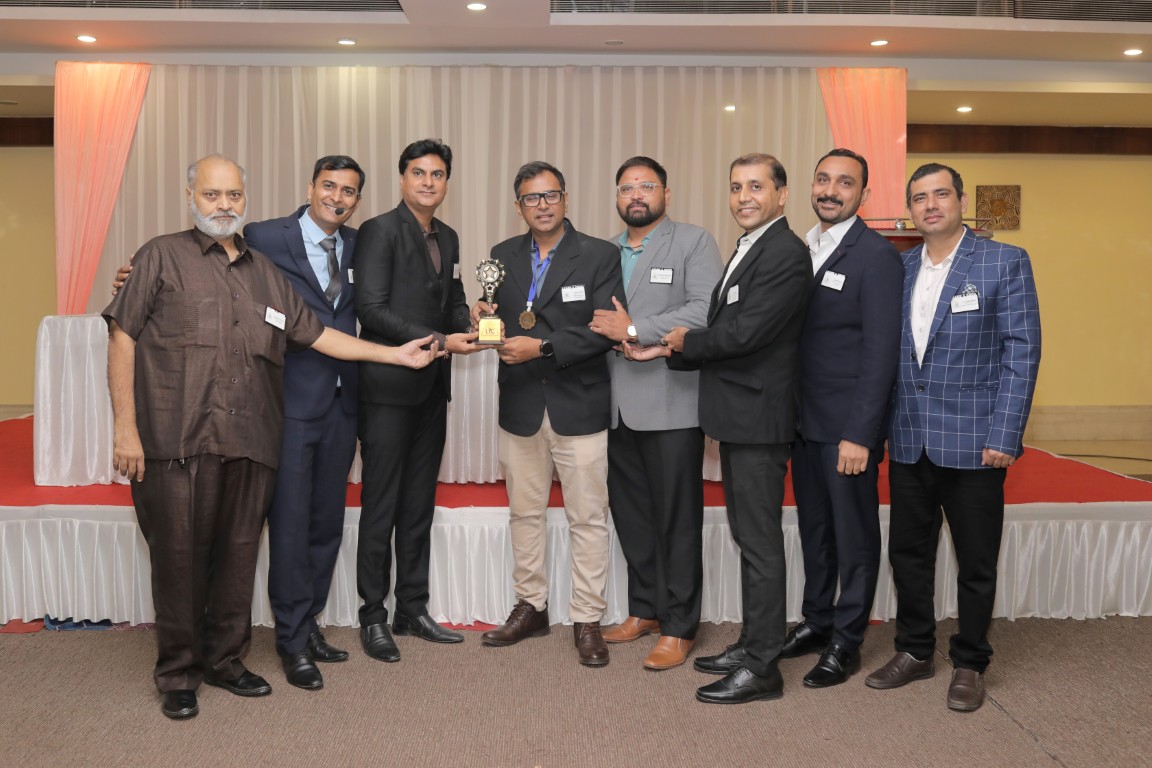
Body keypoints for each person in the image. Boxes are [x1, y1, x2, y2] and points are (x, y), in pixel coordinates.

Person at [105, 155, 440, 721]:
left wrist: (394, 354)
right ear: (190, 196)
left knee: (238, 556)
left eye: (233, 195)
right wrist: (125, 429)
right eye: (212, 194)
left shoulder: (264, 271)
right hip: (177, 437)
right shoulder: (160, 256)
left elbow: (319, 335)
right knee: (180, 557)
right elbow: (122, 336)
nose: (224, 205)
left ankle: (225, 660)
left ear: (246, 199)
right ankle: (179, 673)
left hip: (251, 437)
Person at [625, 153, 810, 703]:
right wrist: (669, 349)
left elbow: (747, 333)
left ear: (781, 194)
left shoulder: (786, 252)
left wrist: (681, 341)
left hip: (759, 418)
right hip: (738, 414)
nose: (744, 197)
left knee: (759, 544)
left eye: (756, 186)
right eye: (735, 187)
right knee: (748, 538)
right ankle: (754, 644)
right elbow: (731, 326)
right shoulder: (752, 246)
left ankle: (763, 667)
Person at [865, 163, 1041, 712]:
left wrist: (1005, 433)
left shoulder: (1003, 260)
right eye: (919, 198)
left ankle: (970, 662)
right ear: (910, 210)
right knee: (908, 555)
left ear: (961, 200)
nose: (930, 205)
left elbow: (1021, 352)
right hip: (910, 437)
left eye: (941, 194)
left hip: (976, 442)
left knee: (976, 560)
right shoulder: (899, 268)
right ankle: (915, 650)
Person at [473, 161, 624, 667]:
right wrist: (482, 318)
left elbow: (605, 329)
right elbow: (496, 322)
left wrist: (541, 348)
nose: (542, 205)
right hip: (520, 404)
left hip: (579, 404)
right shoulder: (502, 255)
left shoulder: (599, 254)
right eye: (531, 198)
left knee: (588, 518)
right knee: (524, 513)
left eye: (550, 195)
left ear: (565, 199)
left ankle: (587, 618)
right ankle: (531, 606)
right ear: (518, 206)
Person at [588, 156, 721, 670]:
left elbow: (705, 309)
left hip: (671, 404)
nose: (636, 195)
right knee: (633, 516)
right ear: (617, 198)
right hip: (616, 407)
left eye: (646, 186)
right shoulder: (605, 251)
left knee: (677, 520)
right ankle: (645, 608)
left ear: (666, 192)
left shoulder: (692, 242)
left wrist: (634, 329)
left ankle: (680, 625)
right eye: (626, 188)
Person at [353, 138, 480, 664]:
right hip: (387, 389)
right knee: (381, 504)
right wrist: (441, 341)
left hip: (432, 390)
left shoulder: (448, 236)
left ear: (447, 181)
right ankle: (372, 615)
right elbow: (371, 310)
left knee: (418, 504)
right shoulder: (378, 230)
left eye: (438, 174)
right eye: (419, 173)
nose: (429, 182)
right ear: (403, 178)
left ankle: (412, 607)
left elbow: (452, 300)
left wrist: (470, 322)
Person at [781, 148, 903, 687]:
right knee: (815, 530)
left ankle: (847, 641)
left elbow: (881, 352)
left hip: (846, 429)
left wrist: (861, 434)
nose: (831, 190)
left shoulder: (875, 256)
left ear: (864, 195)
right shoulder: (802, 247)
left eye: (845, 183)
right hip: (804, 423)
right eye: (823, 179)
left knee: (853, 538)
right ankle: (817, 620)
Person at [243, 155, 365, 691]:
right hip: (292, 402)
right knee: (290, 522)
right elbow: (213, 260)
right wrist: (136, 269)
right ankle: (290, 639)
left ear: (357, 200)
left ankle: (309, 620)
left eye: (349, 191)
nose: (337, 198)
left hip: (344, 401)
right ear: (311, 187)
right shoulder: (265, 236)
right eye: (329, 186)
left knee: (325, 520)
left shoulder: (359, 244)